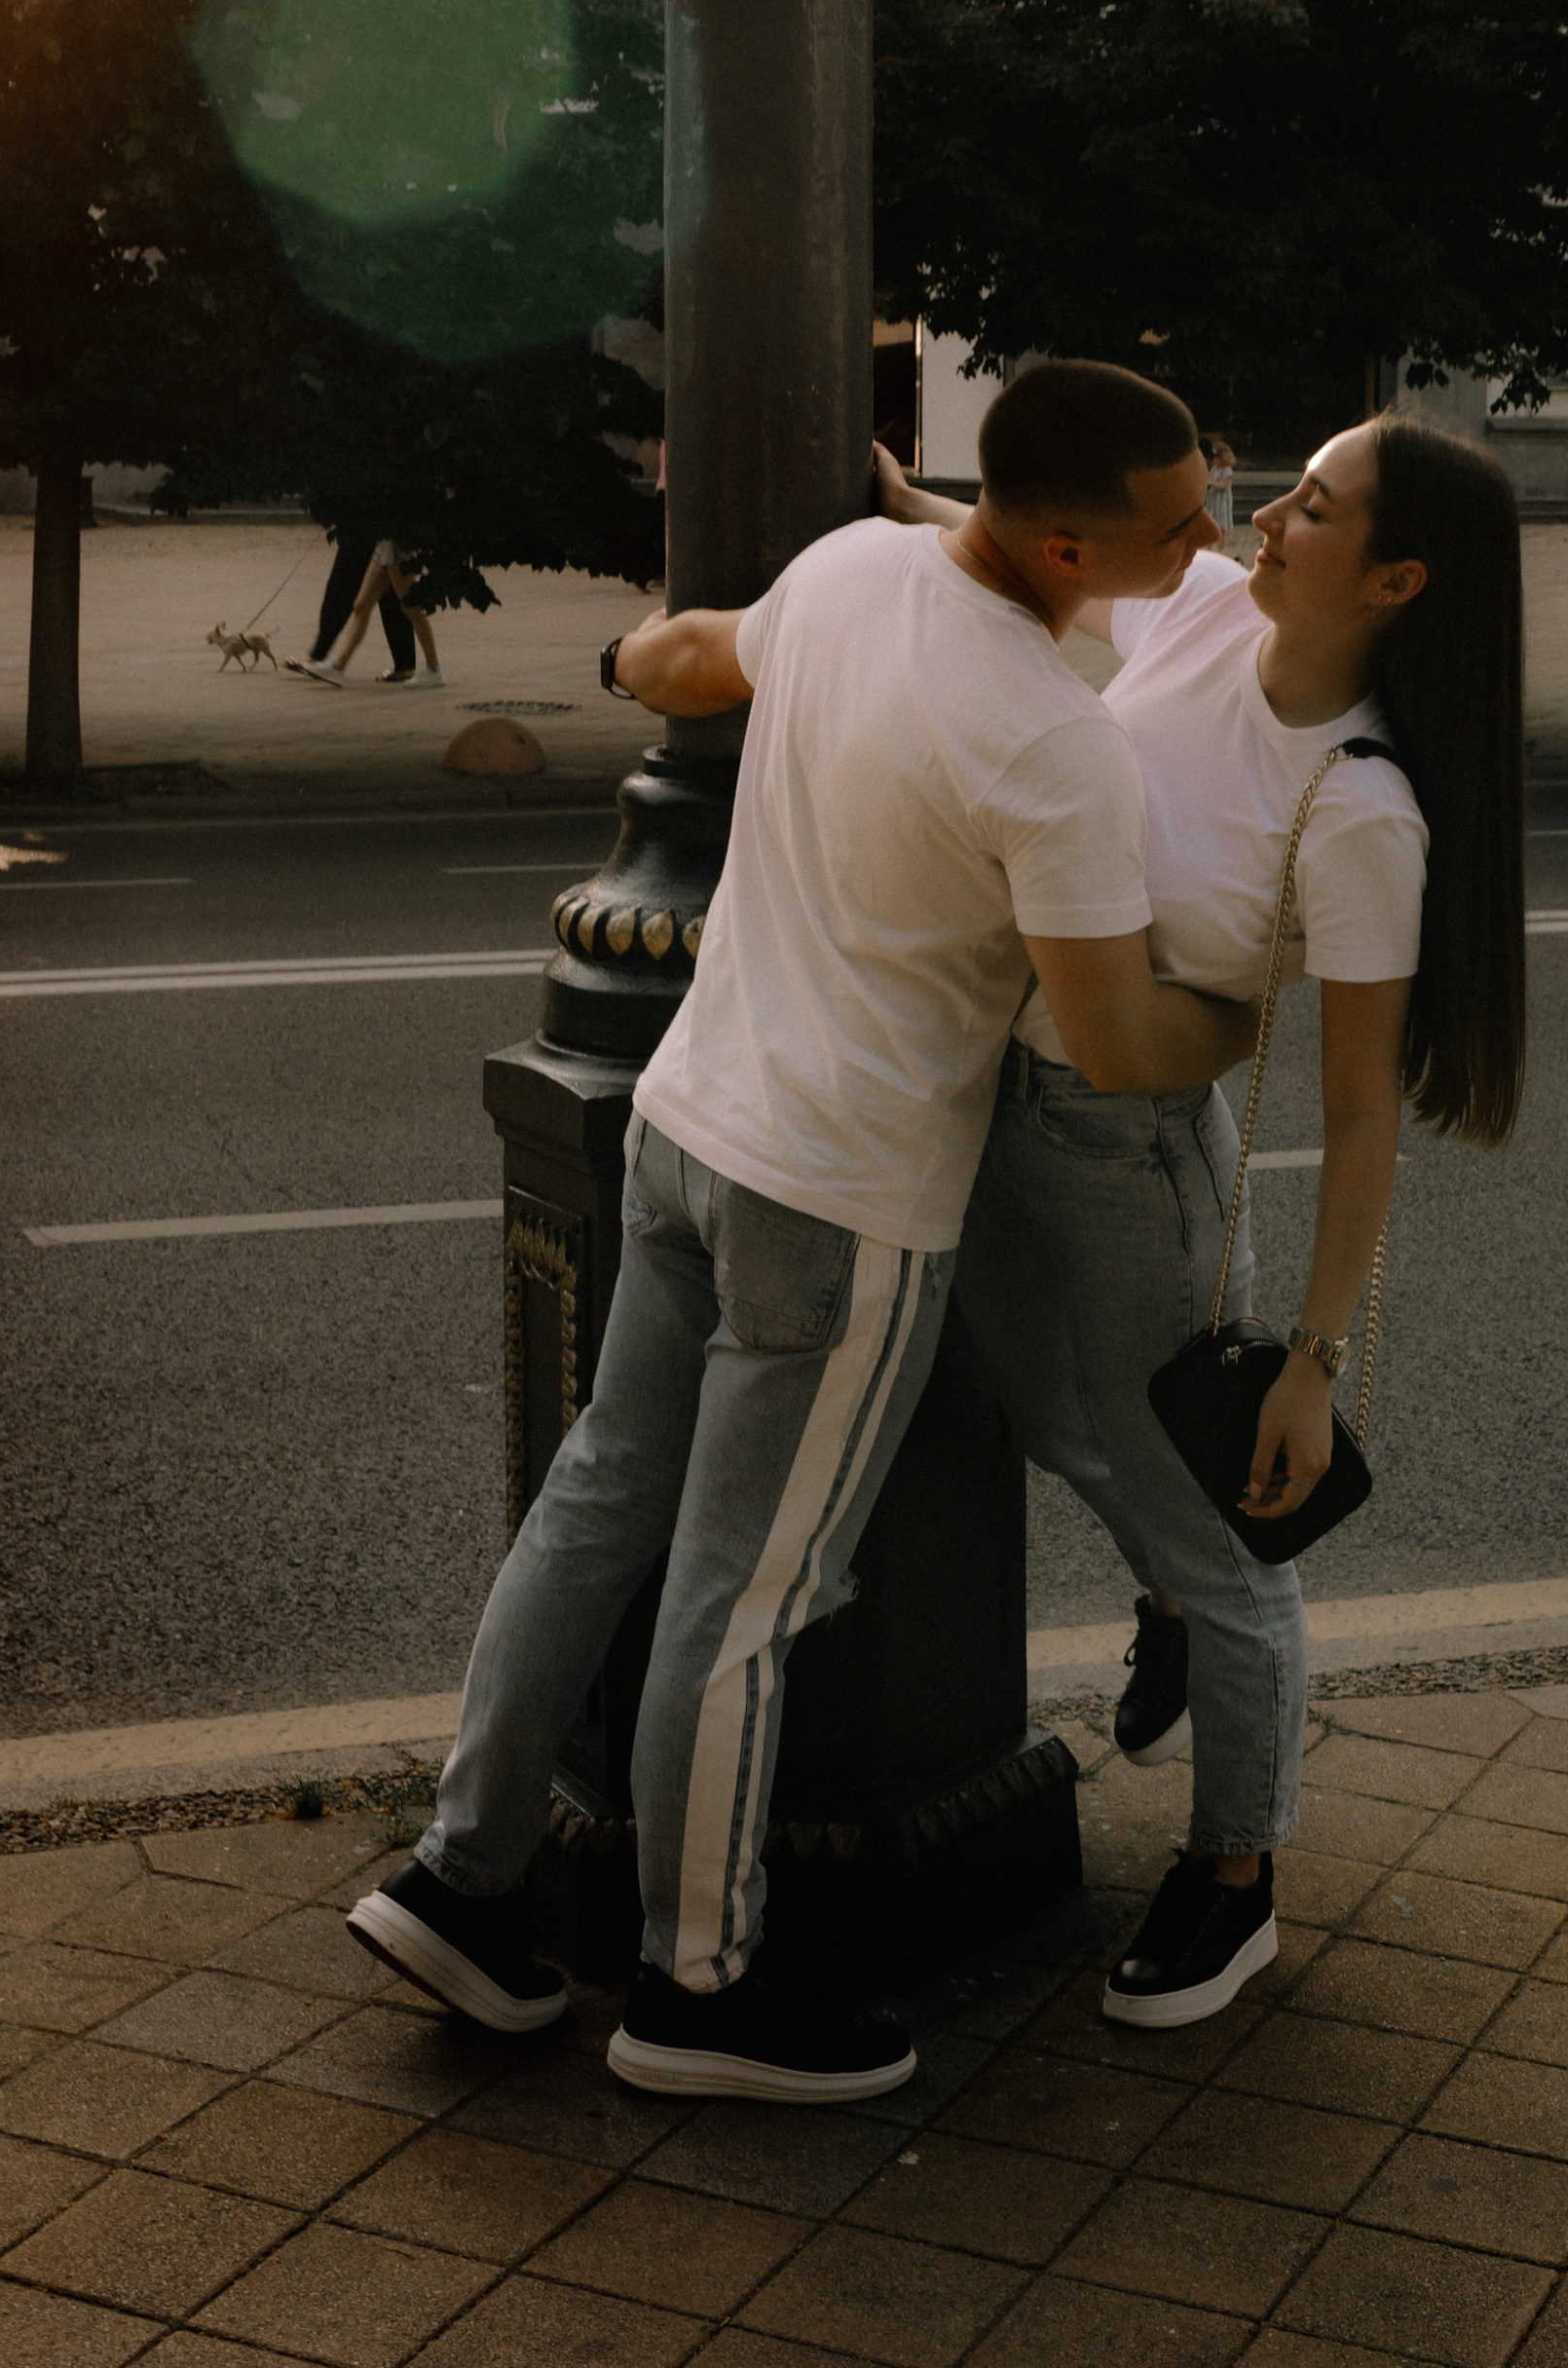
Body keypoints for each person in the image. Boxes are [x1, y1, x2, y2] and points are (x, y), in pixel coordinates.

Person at [349, 360, 1270, 2104]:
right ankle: (700, 1989)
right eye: (1180, 521)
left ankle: (463, 1879)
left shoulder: (851, 571)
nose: (1209, 539)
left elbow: (686, 658)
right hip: (841, 1201)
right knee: (751, 1597)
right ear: (1067, 546)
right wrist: (1251, 1009)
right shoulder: (1054, 745)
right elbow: (1111, 1038)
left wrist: (620, 658)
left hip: (688, 1129)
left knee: (596, 1504)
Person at [877, 411, 1525, 2027]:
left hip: (1130, 1158)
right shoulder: (1209, 612)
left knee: (1217, 1536)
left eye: (1313, 505)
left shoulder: (1358, 809)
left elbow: (1361, 1111)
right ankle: (1169, 1602)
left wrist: (1314, 1362)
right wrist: (897, 496)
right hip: (996, 1102)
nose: (1266, 515)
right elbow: (1038, 559)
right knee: (1039, 1411)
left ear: (1396, 578)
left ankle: (1235, 1874)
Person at [294, 530, 441, 687]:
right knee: (362, 605)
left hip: (397, 540)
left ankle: (433, 669)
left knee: (410, 606)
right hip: (383, 541)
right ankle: (337, 667)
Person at [1204, 433, 1239, 545]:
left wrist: (1212, 483)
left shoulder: (1227, 470)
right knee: (1210, 526)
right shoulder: (1214, 469)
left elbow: (1224, 486)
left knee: (1221, 528)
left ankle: (1221, 549)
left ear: (1221, 458)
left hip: (1222, 501)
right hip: (1213, 500)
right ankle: (1208, 548)